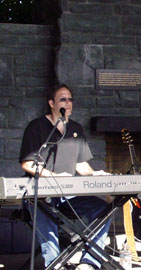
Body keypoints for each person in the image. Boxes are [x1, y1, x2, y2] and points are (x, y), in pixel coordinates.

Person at [19, 84, 112, 270]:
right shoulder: (36, 127)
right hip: (39, 193)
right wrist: (53, 176)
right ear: (52, 103)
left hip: (69, 195)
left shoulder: (76, 128)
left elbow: (80, 164)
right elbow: (27, 163)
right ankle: (55, 264)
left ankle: (89, 263)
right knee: (43, 210)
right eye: (63, 99)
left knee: (104, 209)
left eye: (70, 99)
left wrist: (94, 173)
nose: (67, 103)